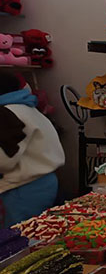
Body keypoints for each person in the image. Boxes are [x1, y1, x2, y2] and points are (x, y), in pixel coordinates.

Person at [0, 73, 65, 227]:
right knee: (36, 232)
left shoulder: (6, 114)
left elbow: (5, 160)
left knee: (18, 237)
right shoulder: (27, 108)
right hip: (44, 182)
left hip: (22, 188)